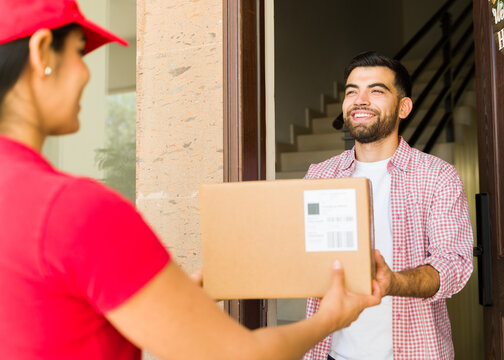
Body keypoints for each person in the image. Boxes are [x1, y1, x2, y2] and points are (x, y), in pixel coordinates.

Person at [0, 1, 382, 359]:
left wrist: (167, 296)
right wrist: (330, 318)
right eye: (80, 51)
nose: (86, 71)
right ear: (41, 51)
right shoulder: (74, 210)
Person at [302, 51, 474, 360]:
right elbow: (299, 254)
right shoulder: (319, 175)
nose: (360, 99)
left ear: (403, 107)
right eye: (351, 91)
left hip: (412, 352)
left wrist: (394, 282)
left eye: (376, 91)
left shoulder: (437, 176)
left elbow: (454, 263)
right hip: (330, 352)